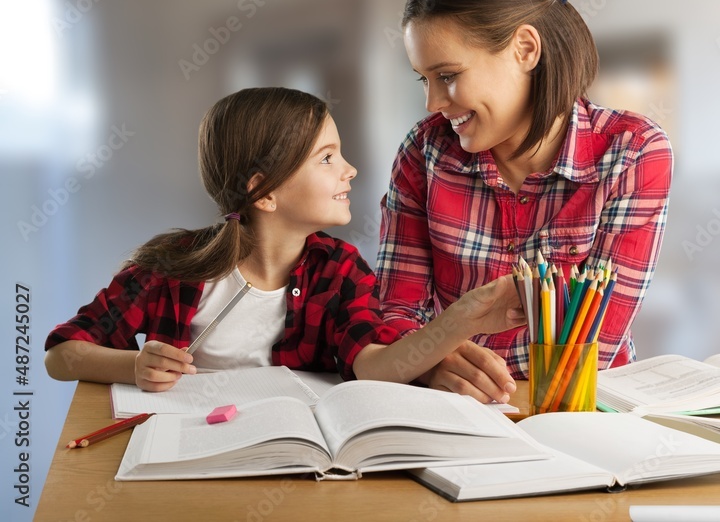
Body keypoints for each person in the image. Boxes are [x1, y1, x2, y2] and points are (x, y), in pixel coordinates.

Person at [44, 87, 523, 402]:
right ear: (264, 192)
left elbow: (376, 366)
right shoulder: (174, 266)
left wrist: (462, 318)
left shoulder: (340, 270)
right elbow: (62, 354)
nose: (350, 170)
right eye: (327, 159)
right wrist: (133, 365)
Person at [376, 0, 673, 402]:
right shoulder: (424, 152)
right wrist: (430, 368)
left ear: (525, 49)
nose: (433, 103)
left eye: (448, 75)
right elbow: (395, 316)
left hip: (584, 416)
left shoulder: (633, 153)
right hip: (452, 412)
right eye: (425, 79)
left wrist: (435, 357)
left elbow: (594, 345)